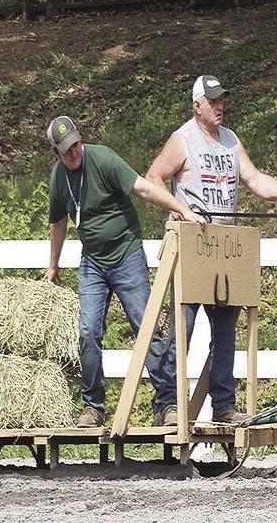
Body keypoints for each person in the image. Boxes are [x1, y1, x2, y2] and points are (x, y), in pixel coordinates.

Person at [144, 75, 277, 426]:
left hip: (224, 249)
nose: (219, 105)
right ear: (197, 105)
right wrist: (178, 212)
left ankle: (223, 404)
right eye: (212, 100)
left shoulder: (231, 141)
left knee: (225, 333)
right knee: (183, 328)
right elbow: (153, 178)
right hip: (192, 247)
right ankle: (167, 404)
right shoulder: (183, 140)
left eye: (222, 99)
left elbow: (255, 181)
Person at [43, 115, 206, 428]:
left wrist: (182, 210)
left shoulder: (103, 159)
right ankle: (93, 407)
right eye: (66, 149)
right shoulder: (58, 179)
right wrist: (53, 265)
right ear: (56, 154)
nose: (74, 151)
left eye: (76, 144)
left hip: (127, 255)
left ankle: (167, 404)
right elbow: (58, 221)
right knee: (88, 332)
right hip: (92, 262)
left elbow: (143, 189)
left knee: (146, 329)